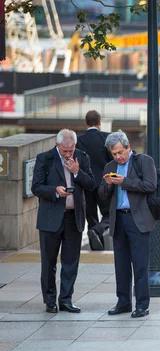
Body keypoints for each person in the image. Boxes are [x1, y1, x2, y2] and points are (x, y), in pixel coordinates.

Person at [31, 129, 95, 313]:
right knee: (48, 262)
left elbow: (91, 184)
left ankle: (66, 299)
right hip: (50, 217)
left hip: (73, 217)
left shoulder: (82, 157)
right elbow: (36, 187)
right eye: (65, 151)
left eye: (71, 150)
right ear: (57, 145)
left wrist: (77, 172)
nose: (68, 154)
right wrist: (55, 191)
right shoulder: (45, 158)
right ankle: (50, 300)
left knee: (71, 261)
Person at [98, 131, 157, 318]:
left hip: (138, 218)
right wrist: (108, 185)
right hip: (119, 219)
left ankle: (142, 305)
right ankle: (123, 302)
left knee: (140, 264)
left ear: (128, 146)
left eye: (120, 152)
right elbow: (101, 195)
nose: (118, 157)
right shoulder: (109, 166)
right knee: (121, 264)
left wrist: (125, 182)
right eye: (114, 154)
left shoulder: (144, 161)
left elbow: (150, 185)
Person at [76, 110, 112, 250]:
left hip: (87, 185)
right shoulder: (106, 139)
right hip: (104, 184)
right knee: (109, 214)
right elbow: (111, 161)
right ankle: (97, 231)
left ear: (85, 123)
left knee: (91, 217)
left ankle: (96, 248)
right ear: (99, 123)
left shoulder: (79, 140)